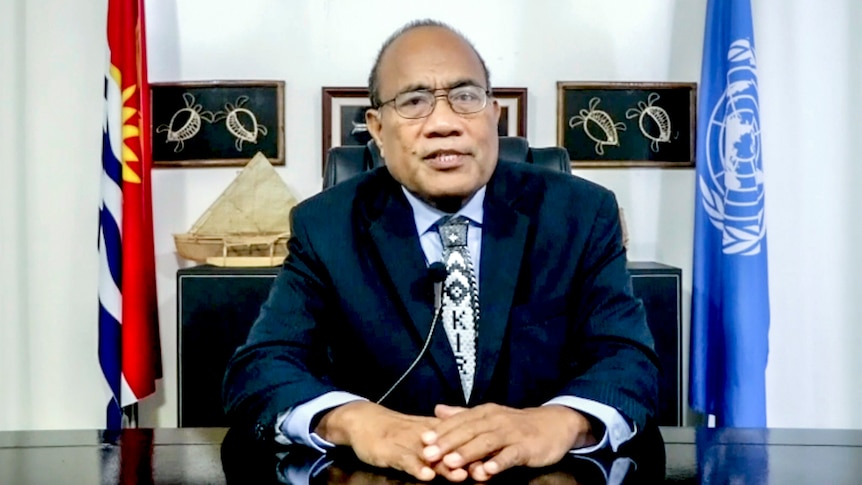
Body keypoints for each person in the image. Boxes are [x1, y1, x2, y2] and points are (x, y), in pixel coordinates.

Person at [223, 19, 658, 483]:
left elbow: (628, 360)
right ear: (377, 128)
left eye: (466, 97)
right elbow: (260, 369)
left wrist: (561, 423)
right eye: (413, 102)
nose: (444, 124)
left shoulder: (580, 213)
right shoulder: (326, 225)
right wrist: (353, 420)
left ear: (493, 114)